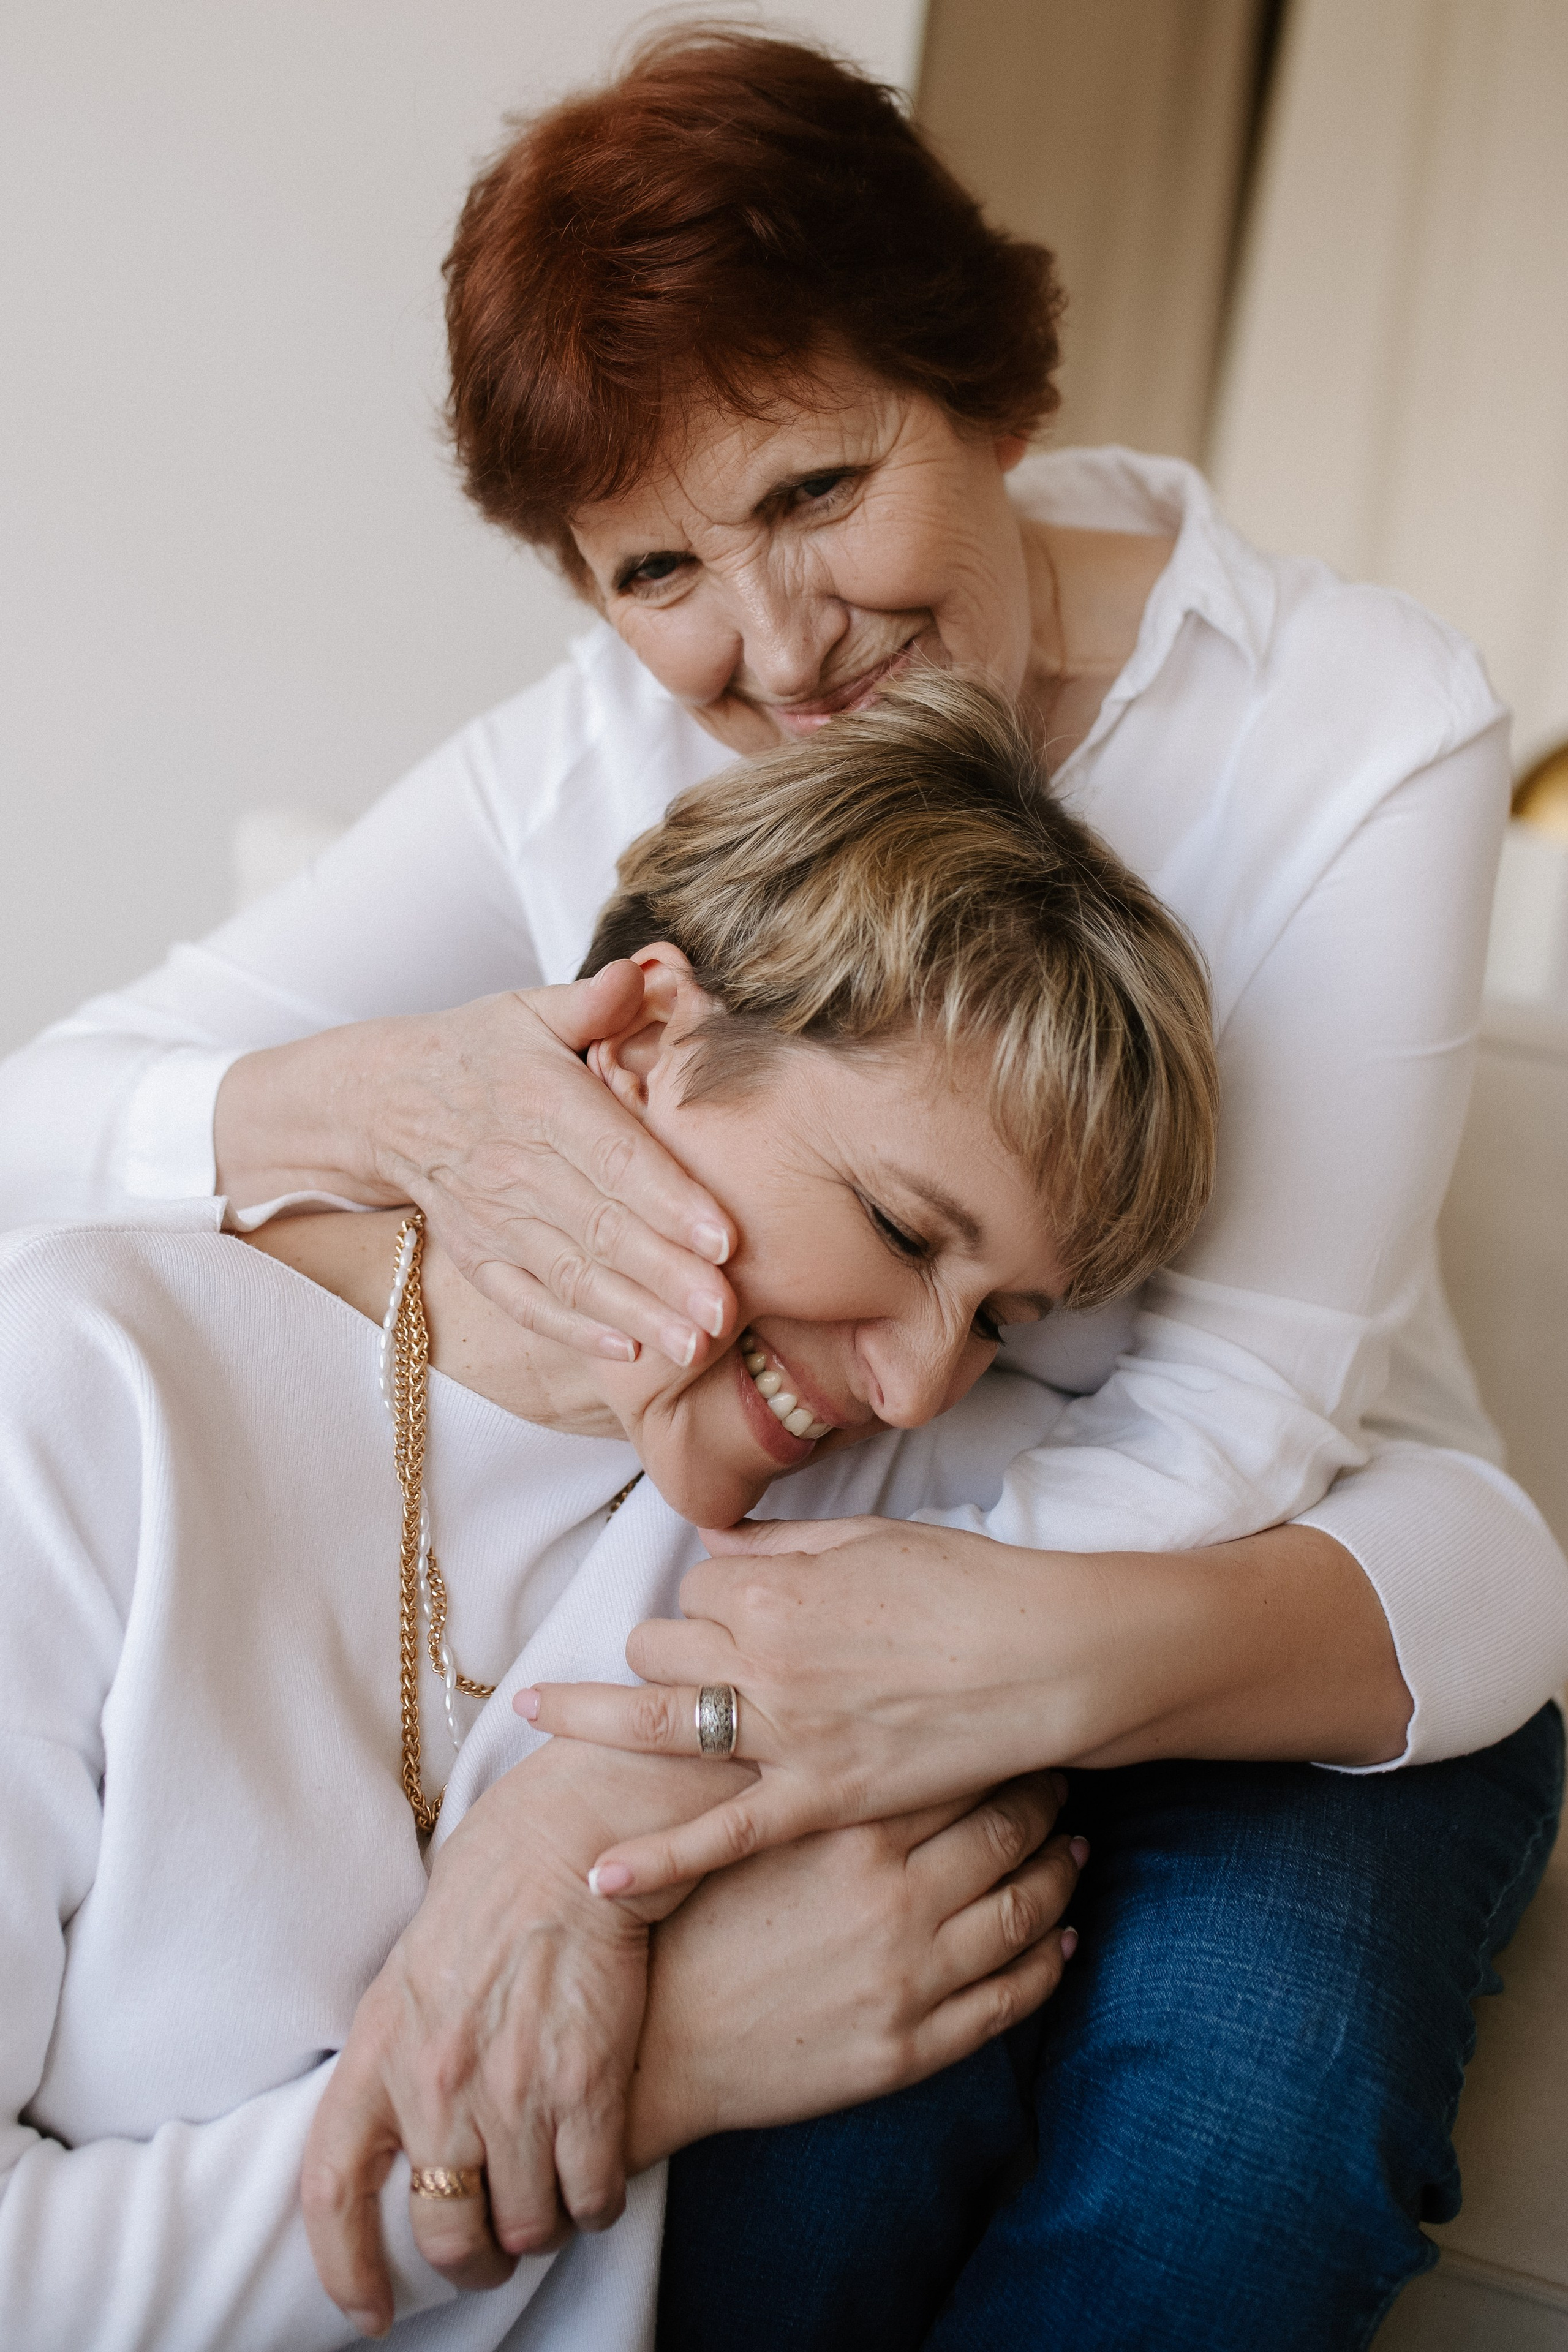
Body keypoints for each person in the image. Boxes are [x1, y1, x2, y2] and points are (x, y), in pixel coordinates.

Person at [1, 26, 1563, 2350]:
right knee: (821, 2172)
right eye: (657, 568)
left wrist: (587, 1800)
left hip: (1230, 1568)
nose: (775, 640)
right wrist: (412, 1107)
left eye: (821, 488)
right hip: (793, 1583)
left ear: (993, 386)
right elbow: (67, 1101)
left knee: (1242, 2125)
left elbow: (1243, 1435)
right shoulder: (605, 780)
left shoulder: (1356, 722)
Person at [0, 676, 1216, 2350]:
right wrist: (669, 2069)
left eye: (1004, 1315)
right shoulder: (79, 1394)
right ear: (645, 1045)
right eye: (904, 1230)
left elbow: (1439, 1554)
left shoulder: (891, 1510)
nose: (929, 1378)